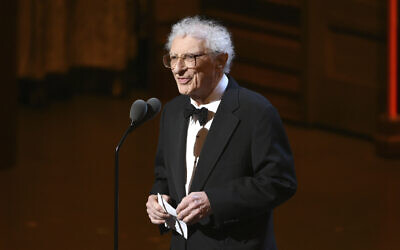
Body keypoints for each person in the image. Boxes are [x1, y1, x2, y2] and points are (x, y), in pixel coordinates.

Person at [146, 16, 297, 250]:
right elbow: (164, 176)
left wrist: (214, 202)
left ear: (220, 60)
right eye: (173, 58)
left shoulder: (256, 112)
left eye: (190, 57)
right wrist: (158, 198)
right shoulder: (173, 112)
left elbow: (279, 182)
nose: (178, 68)